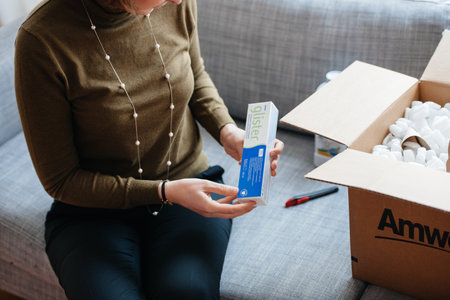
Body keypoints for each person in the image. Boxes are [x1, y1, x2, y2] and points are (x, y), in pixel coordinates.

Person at [15, 0, 284, 299]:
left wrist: (227, 130)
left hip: (188, 185)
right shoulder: (41, 40)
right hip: (93, 211)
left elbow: (195, 74)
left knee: (187, 293)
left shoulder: (175, 3)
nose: (179, 0)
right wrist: (163, 191)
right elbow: (61, 180)